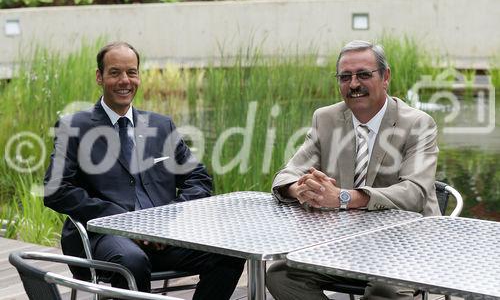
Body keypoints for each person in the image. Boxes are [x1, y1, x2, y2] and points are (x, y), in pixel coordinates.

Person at [44, 41, 245, 299]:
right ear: (99, 77)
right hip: (103, 235)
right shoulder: (74, 126)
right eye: (115, 72)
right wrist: (125, 222)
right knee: (131, 260)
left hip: (162, 234)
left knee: (229, 252)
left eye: (132, 72)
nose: (124, 80)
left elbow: (199, 178)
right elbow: (56, 189)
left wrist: (166, 218)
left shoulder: (161, 126)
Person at [266, 40, 441, 300]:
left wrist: (343, 197)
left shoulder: (418, 124)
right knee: (281, 276)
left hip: (407, 244)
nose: (354, 84)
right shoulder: (326, 119)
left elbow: (414, 193)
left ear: (386, 77)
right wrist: (301, 189)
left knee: (384, 290)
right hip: (347, 244)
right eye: (345, 77)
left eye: (363, 75)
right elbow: (286, 175)